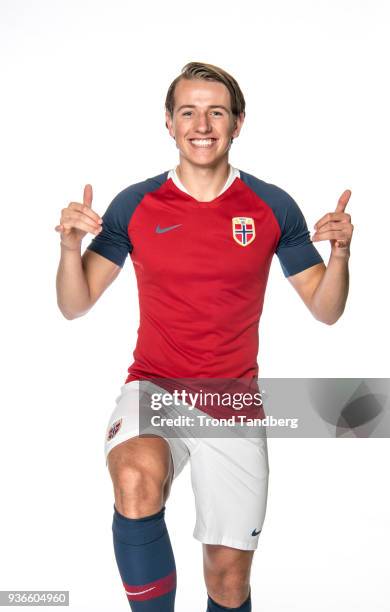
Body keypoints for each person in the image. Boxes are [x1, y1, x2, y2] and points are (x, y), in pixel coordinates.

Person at [55, 61, 354, 612]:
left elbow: (326, 310)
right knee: (135, 474)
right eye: (187, 111)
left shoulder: (271, 206)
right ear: (169, 123)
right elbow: (74, 305)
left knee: (227, 579)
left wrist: (339, 255)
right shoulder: (136, 204)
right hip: (155, 389)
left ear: (238, 123)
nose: (202, 123)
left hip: (233, 401)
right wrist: (70, 248)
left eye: (216, 111)